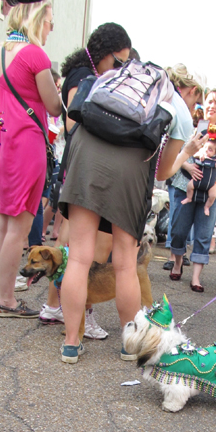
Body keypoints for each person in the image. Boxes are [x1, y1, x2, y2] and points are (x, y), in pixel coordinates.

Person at [58, 60, 205, 362]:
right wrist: (186, 154)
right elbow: (163, 171)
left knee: (79, 256)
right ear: (190, 90)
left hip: (86, 151)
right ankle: (129, 346)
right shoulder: (176, 106)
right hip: (130, 166)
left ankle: (71, 343)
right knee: (125, 263)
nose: (195, 105)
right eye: (196, 98)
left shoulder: (122, 79)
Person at [37, 22, 133, 336]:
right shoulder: (84, 77)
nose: (121, 69)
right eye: (119, 62)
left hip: (78, 170)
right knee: (84, 254)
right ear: (104, 55)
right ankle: (77, 317)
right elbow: (73, 121)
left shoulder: (81, 72)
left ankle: (62, 317)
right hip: (88, 171)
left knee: (71, 249)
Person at [0, 0, 61, 318]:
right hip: (27, 145)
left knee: (0, 224)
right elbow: (54, 106)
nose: (51, 28)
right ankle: (7, 301)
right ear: (36, 20)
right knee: (19, 227)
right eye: (49, 21)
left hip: (2, 144)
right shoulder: (35, 55)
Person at [167, 89, 216, 292]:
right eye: (209, 101)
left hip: (213, 188)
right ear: (203, 104)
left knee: (204, 233)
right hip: (185, 184)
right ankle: (178, 263)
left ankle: (196, 278)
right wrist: (187, 166)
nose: (212, 106)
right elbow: (176, 150)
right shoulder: (191, 125)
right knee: (179, 229)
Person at [180, 129, 216, 214]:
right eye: (205, 147)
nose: (206, 150)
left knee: (213, 195)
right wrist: (200, 155)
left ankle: (207, 207)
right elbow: (194, 155)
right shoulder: (202, 154)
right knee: (189, 186)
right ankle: (189, 198)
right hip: (197, 179)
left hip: (211, 183)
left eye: (210, 149)